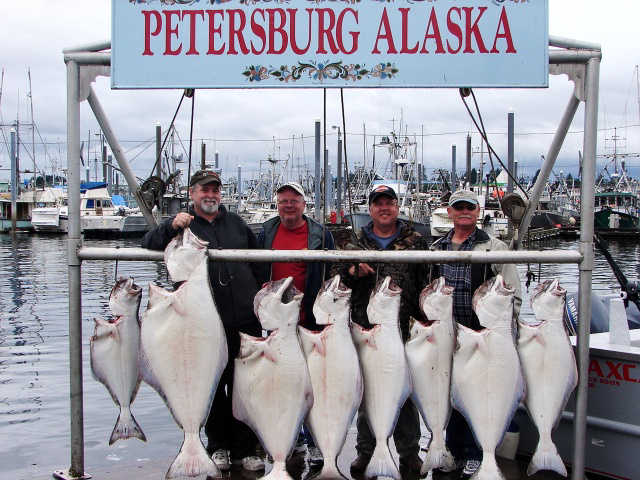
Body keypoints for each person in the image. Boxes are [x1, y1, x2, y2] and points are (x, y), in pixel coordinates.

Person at [141, 169, 265, 473]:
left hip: (244, 318)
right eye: (204, 190)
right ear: (192, 193)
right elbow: (149, 243)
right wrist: (170, 225)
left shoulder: (237, 224)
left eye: (215, 190)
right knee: (211, 383)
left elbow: (259, 261)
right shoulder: (182, 225)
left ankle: (246, 448)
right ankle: (217, 445)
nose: (210, 195)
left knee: (245, 385)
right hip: (204, 321)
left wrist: (258, 296)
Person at [330, 185, 428, 477]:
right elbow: (335, 280)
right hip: (367, 330)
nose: (384, 208)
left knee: (405, 392)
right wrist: (352, 272)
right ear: (370, 209)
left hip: (405, 329)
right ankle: (366, 451)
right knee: (368, 391)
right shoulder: (353, 243)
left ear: (397, 207)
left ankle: (409, 453)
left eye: (389, 203)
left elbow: (426, 279)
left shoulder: (416, 242)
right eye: (378, 203)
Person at [429, 189, 522, 479]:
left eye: (470, 207)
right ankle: (454, 451)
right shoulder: (436, 249)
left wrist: (502, 331)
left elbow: (513, 293)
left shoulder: (494, 247)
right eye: (459, 207)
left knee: (479, 395)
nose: (465, 212)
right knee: (453, 394)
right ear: (450, 212)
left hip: (482, 336)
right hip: (447, 335)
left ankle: (475, 453)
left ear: (478, 211)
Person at [257, 181, 335, 466]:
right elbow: (257, 268)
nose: (288, 205)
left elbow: (330, 272)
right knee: (283, 384)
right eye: (283, 201)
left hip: (309, 321)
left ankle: (315, 441)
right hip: (277, 323)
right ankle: (292, 438)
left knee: (313, 384)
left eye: (294, 200)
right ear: (277, 205)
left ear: (304, 204)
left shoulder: (321, 234)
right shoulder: (266, 231)